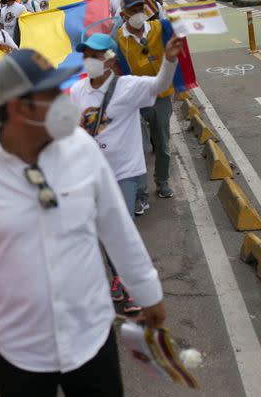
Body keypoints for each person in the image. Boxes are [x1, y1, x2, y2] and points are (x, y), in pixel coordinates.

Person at [0, 48, 166, 396]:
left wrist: (148, 292)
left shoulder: (81, 150)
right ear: (17, 107)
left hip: (91, 337)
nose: (63, 103)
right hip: (20, 353)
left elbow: (118, 229)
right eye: (49, 95)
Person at [71, 33, 181, 314]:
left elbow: (160, 84)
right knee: (103, 230)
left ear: (109, 60)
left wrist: (168, 60)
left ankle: (126, 283)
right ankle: (117, 276)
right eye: (86, 55)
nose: (90, 61)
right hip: (92, 173)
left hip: (124, 172)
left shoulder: (128, 87)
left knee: (123, 227)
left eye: (95, 56)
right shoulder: (77, 92)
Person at [114, 0, 177, 215]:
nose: (138, 13)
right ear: (124, 14)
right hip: (134, 101)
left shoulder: (160, 28)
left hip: (160, 96)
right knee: (137, 149)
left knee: (163, 145)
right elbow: (114, 70)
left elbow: (186, 23)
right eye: (133, 9)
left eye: (140, 8)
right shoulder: (117, 38)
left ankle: (162, 183)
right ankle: (140, 195)